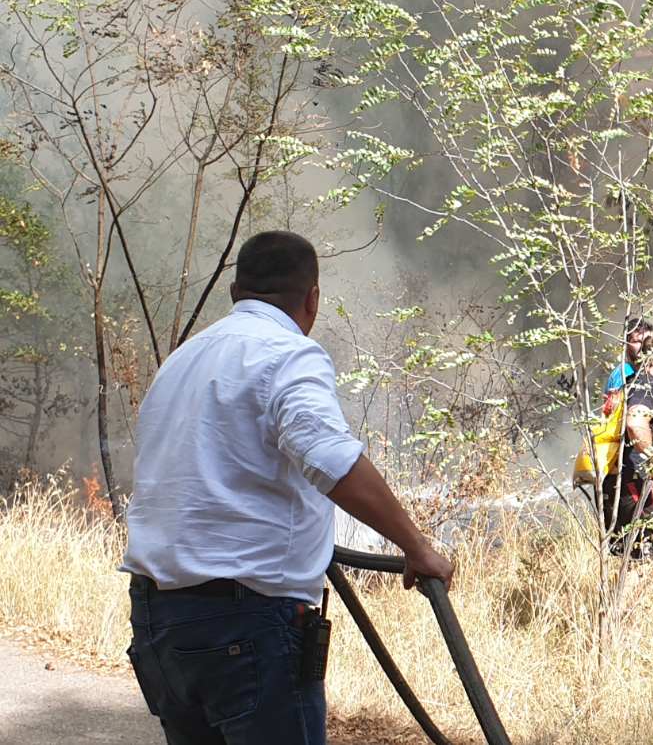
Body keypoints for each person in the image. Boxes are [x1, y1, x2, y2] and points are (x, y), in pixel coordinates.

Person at [120, 231, 454, 745]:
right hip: (245, 627)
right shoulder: (288, 354)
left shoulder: (181, 362)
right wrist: (417, 547)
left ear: (236, 293)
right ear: (313, 298)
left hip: (159, 623)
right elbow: (331, 458)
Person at [597, 347, 653, 556]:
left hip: (611, 481)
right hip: (631, 484)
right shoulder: (650, 387)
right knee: (648, 554)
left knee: (629, 556)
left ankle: (614, 590)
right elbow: (635, 425)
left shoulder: (628, 384)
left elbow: (629, 441)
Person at [600, 317, 653, 415]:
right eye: (637, 341)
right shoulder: (625, 372)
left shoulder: (649, 372)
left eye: (648, 341)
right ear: (625, 344)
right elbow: (615, 410)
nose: (644, 346)